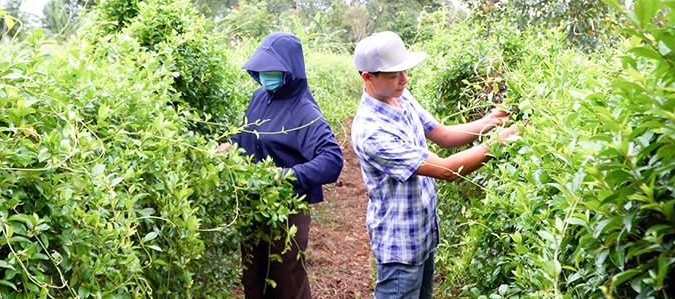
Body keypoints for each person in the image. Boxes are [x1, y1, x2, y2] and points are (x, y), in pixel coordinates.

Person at [350, 31, 521, 299]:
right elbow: (445, 169)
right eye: (395, 75)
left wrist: (492, 120)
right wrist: (498, 143)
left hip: (423, 234)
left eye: (404, 71)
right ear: (368, 77)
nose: (404, 80)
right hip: (400, 247)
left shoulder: (401, 97)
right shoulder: (371, 131)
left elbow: (443, 136)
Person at [220, 32, 344, 299]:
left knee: (286, 279)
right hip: (254, 205)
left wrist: (286, 175)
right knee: (254, 276)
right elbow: (246, 136)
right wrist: (229, 146)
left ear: (290, 70)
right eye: (262, 69)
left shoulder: (304, 111)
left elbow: (332, 159)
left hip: (286, 211)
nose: (266, 75)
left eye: (273, 69)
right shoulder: (259, 97)